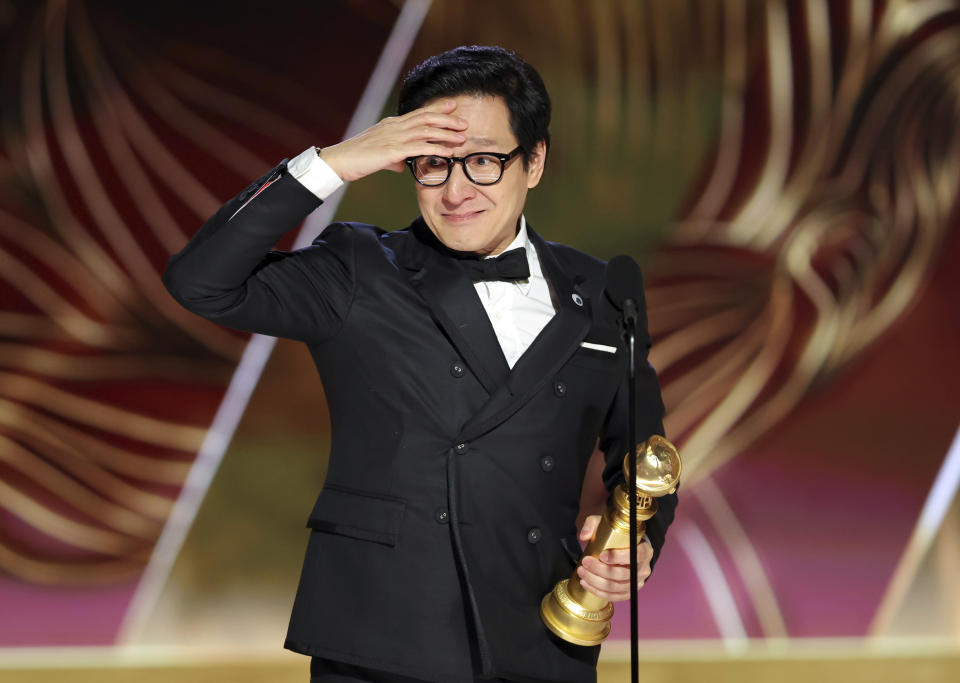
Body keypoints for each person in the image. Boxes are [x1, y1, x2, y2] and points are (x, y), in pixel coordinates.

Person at [163, 45, 676, 683]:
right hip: (384, 638)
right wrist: (333, 164)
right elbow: (200, 283)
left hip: (542, 635)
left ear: (535, 161)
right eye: (433, 163)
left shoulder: (603, 291)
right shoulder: (358, 268)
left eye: (484, 162)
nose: (456, 191)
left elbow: (648, 458)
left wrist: (635, 542)